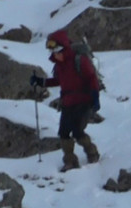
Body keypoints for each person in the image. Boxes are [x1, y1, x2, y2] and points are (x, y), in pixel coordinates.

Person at [30, 30, 101, 172]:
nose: (53, 54)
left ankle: (92, 153)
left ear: (62, 48)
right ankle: (70, 161)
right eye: (52, 51)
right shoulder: (60, 65)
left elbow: (92, 78)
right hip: (68, 102)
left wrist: (95, 97)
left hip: (83, 101)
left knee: (77, 132)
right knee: (63, 133)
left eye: (55, 51)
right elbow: (58, 80)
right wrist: (41, 82)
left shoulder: (79, 60)